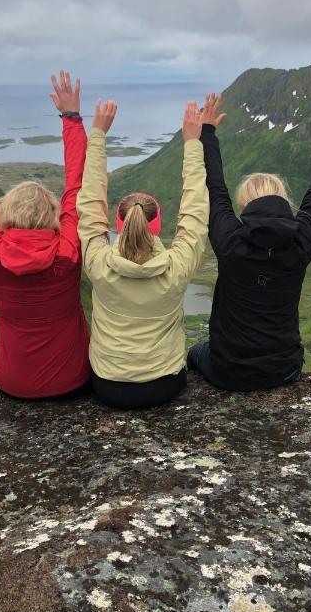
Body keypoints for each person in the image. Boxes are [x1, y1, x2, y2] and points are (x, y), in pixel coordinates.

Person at [188, 91, 311, 391]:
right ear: (284, 201)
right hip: (284, 370)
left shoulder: (231, 243)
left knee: (194, 354)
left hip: (229, 372)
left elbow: (214, 188)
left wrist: (207, 132)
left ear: (244, 207)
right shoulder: (300, 242)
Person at [0, 74, 91, 399]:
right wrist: (71, 118)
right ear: (53, 216)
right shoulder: (67, 251)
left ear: (5, 217)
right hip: (73, 378)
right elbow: (77, 184)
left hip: (12, 383)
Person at [77, 96, 212, 409]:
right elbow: (195, 213)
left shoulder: (99, 263)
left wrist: (96, 134)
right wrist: (193, 142)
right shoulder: (176, 267)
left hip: (107, 385)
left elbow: (89, 204)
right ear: (158, 224)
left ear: (117, 223)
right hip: (164, 384)